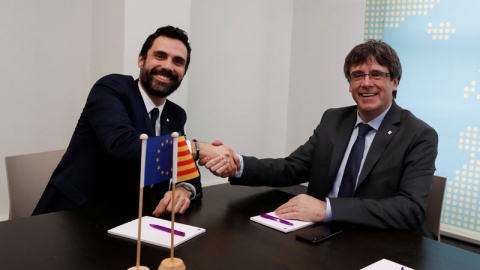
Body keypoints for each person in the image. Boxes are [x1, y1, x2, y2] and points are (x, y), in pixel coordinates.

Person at [201, 40, 438, 238]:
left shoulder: (419, 135)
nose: (366, 83)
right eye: (357, 76)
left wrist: (327, 209)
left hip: (383, 242)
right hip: (322, 235)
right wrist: (237, 165)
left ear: (394, 82)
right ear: (349, 85)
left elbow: (410, 209)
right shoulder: (334, 120)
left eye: (376, 74)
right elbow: (292, 168)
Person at [33, 26, 237, 217]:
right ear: (141, 60)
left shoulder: (176, 114)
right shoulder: (111, 89)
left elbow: (185, 168)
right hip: (74, 217)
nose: (167, 66)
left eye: (178, 61)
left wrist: (183, 190)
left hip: (135, 220)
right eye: (160, 56)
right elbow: (122, 146)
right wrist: (199, 148)